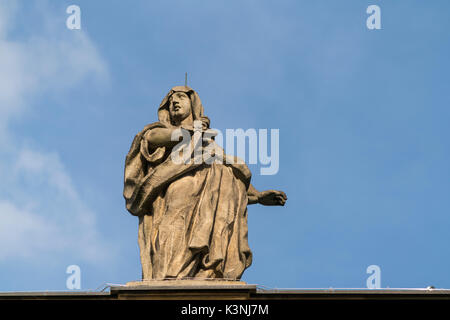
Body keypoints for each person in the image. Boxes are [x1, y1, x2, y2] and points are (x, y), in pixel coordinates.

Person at [123, 86, 287, 280]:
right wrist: (194, 130)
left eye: (181, 97)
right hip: (178, 188)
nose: (174, 102)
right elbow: (154, 139)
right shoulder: (160, 131)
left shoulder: (207, 142)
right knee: (172, 229)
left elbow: (228, 166)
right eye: (170, 101)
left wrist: (258, 196)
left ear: (193, 104)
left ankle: (208, 271)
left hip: (209, 194)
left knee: (223, 182)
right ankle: (167, 279)